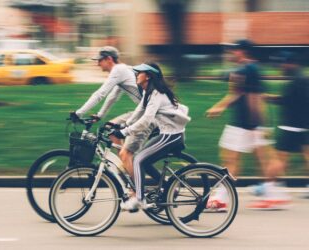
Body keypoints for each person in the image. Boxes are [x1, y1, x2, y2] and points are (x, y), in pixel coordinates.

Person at [206, 39, 276, 210]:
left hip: (244, 124)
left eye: (234, 50)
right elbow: (246, 94)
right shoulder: (254, 68)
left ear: (242, 51)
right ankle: (272, 195)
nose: (231, 53)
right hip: (250, 123)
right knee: (258, 159)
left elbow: (250, 96)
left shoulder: (245, 69)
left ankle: (222, 198)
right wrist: (260, 124)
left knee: (230, 158)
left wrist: (256, 125)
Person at [111, 62, 191, 211]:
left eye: (139, 73)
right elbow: (139, 112)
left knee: (138, 160)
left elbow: (146, 120)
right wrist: (123, 125)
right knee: (144, 161)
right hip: (167, 135)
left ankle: (139, 199)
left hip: (171, 137)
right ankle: (166, 187)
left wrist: (124, 132)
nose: (136, 75)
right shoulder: (149, 92)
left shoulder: (156, 94)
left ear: (147, 76)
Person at [70, 46, 154, 178]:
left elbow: (100, 93)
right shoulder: (122, 70)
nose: (98, 64)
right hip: (142, 111)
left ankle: (136, 190)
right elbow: (113, 96)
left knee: (126, 153)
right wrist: (100, 115)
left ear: (109, 59)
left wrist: (79, 113)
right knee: (110, 128)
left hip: (149, 115)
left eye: (100, 60)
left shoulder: (118, 70)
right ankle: (126, 166)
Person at [258, 51, 309, 204]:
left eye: (282, 63)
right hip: (303, 126)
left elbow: (287, 101)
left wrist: (268, 98)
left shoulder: (297, 81)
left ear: (291, 63)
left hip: (291, 126)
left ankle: (269, 188)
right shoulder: (302, 78)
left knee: (278, 158)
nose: (281, 66)